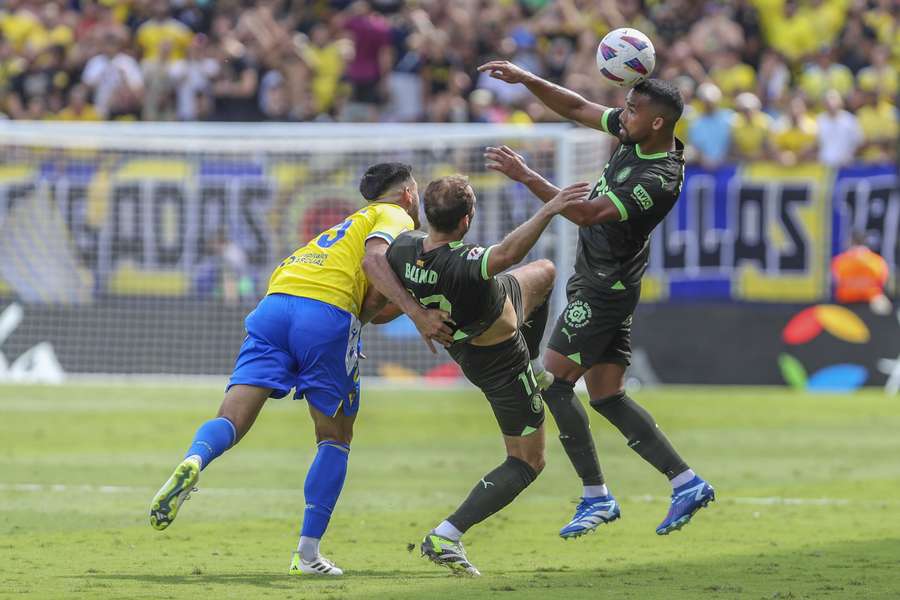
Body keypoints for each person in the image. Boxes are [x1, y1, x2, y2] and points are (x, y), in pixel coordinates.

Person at [148, 163, 453, 576]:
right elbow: (373, 263)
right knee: (335, 437)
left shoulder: (340, 230)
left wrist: (372, 318)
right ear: (408, 194)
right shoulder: (395, 217)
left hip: (276, 304)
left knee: (231, 417)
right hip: (324, 315)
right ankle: (307, 555)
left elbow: (370, 304)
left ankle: (195, 461)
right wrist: (417, 313)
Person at [477, 60, 715, 537]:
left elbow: (586, 213)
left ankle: (596, 495)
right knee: (607, 395)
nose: (620, 115)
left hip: (604, 288)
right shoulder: (634, 134)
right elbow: (578, 106)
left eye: (630, 110)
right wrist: (527, 79)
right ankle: (686, 482)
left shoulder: (658, 179)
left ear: (657, 122)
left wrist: (527, 177)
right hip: (606, 280)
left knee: (555, 382)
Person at [372, 175, 590, 575]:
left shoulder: (402, 249)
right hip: (499, 361)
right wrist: (550, 207)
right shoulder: (464, 261)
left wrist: (413, 312)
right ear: (466, 220)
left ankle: (536, 362)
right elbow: (506, 253)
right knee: (528, 461)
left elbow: (380, 298)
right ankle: (447, 535)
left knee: (543, 272)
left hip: (491, 309)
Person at [832, 231, 892, 315]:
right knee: (885, 308)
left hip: (847, 304)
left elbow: (835, 282)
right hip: (872, 302)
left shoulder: (840, 261)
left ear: (851, 242)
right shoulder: (877, 260)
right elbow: (884, 281)